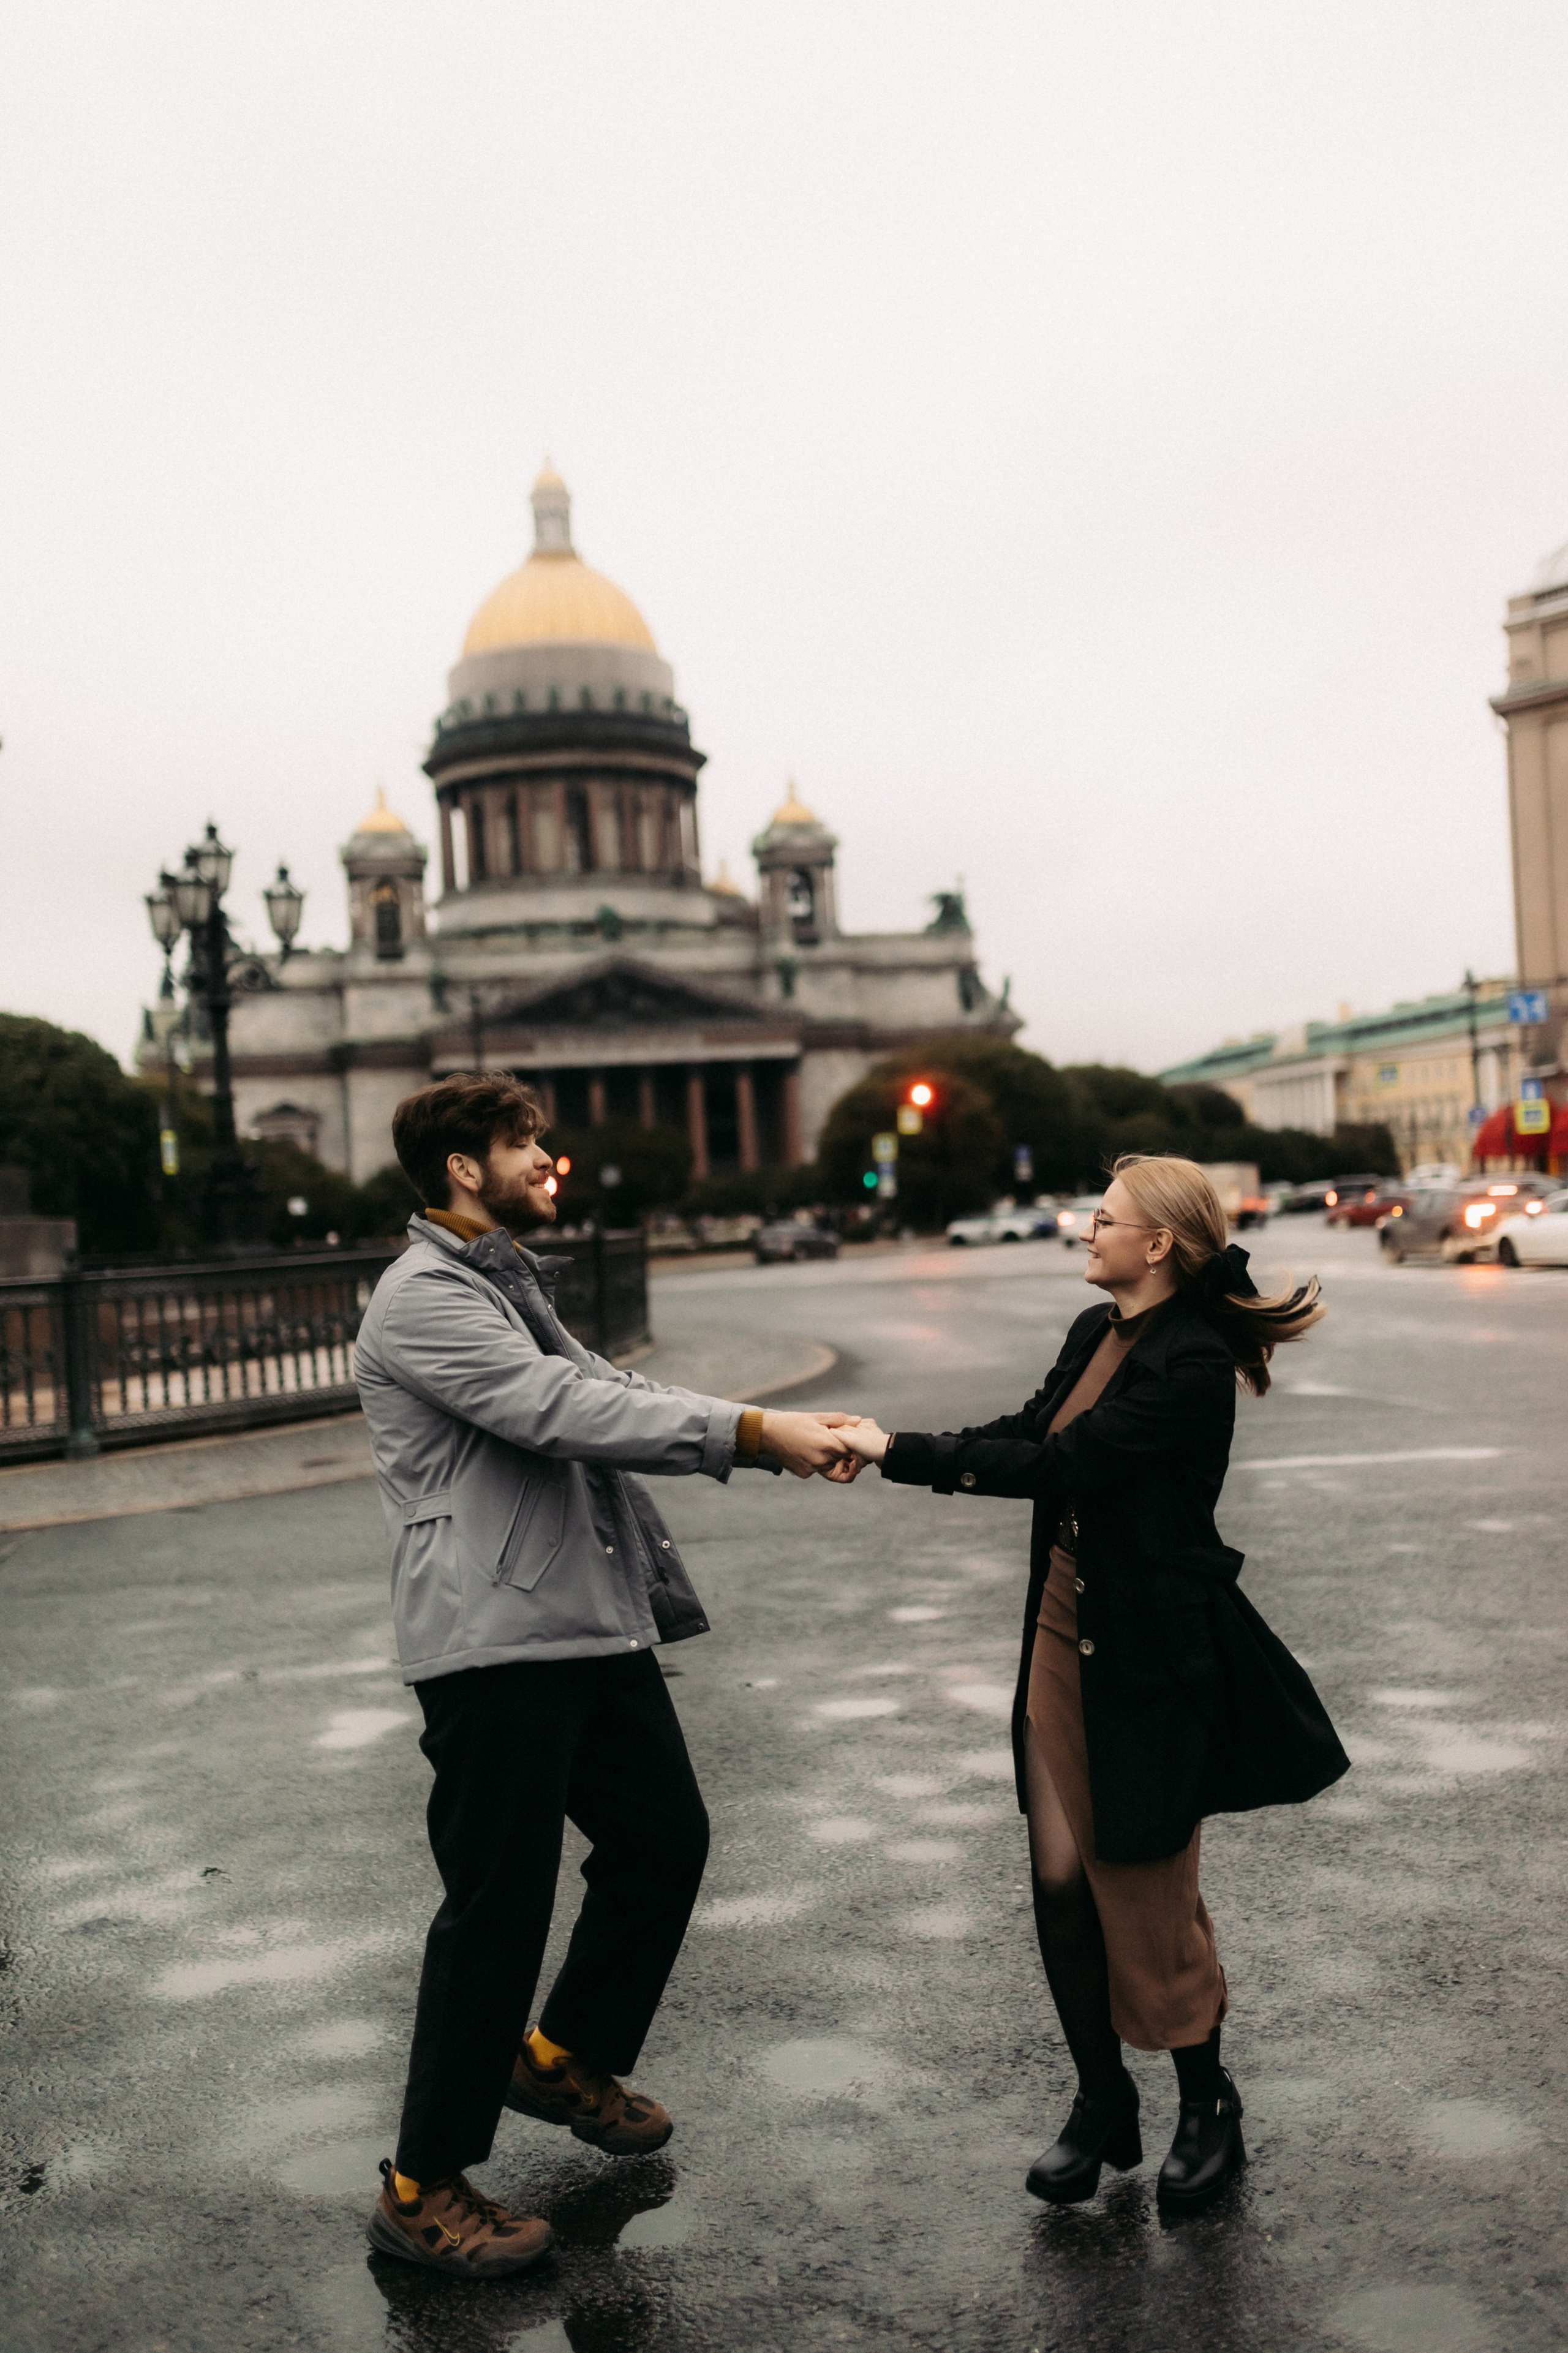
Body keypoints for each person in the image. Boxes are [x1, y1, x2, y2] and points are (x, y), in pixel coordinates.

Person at [355, 1073, 856, 2276]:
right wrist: (746, 1430)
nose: (550, 1160)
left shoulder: (500, 1277)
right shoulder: (422, 1297)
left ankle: (564, 2055)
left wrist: (749, 1427)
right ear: (464, 1166)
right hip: (492, 1641)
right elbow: (554, 1405)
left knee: (663, 1839)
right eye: (525, 1142)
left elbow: (612, 1387)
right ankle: (421, 2183)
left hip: (584, 1624)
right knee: (497, 1908)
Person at [829, 1153, 1350, 2215]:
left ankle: (1208, 2107)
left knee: (1149, 1893)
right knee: (1061, 1882)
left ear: (1157, 1245)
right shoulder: (1093, 1335)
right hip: (1063, 1634)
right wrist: (894, 1448)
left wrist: (897, 1449)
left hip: (1151, 1657)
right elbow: (1030, 1433)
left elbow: (1069, 1465)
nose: (1086, 1230)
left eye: (1103, 1219)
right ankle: (1102, 2102)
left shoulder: (1192, 1361)